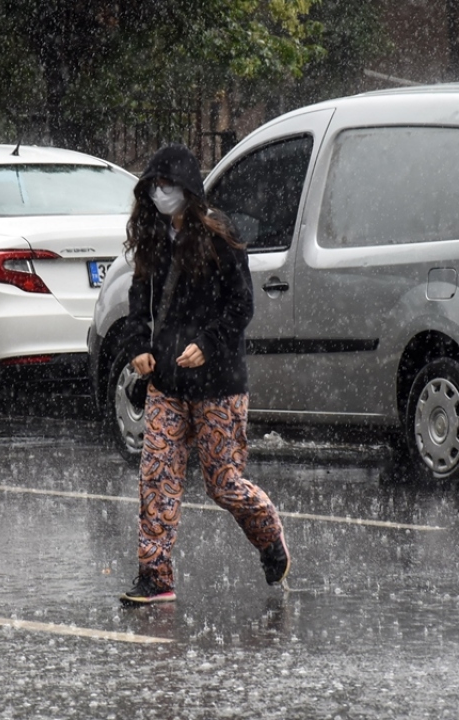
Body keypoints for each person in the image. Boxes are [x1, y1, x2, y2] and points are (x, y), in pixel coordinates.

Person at [116, 143, 289, 605]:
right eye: (154, 186)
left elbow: (241, 305)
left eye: (168, 186)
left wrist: (209, 345)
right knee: (156, 475)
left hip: (218, 386)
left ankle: (268, 533)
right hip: (168, 384)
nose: (160, 194)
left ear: (189, 190)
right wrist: (138, 346)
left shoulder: (219, 236)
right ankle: (155, 575)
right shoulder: (153, 239)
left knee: (223, 484)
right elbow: (139, 302)